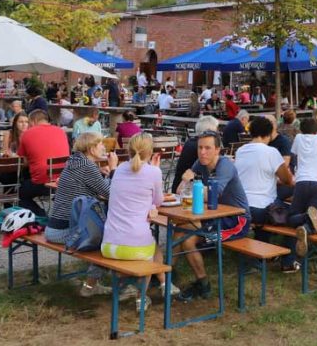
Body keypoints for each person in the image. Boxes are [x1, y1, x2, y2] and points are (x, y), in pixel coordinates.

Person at [102, 133, 179, 310]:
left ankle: (165, 284)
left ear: (128, 150)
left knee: (153, 247)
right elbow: (159, 200)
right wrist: (155, 171)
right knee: (150, 251)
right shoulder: (153, 172)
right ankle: (142, 297)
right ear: (150, 152)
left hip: (109, 245)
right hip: (134, 246)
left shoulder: (119, 169)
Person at [175, 130, 251, 301]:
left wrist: (191, 184)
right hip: (215, 216)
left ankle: (203, 284)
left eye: (208, 148)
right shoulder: (200, 163)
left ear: (217, 150)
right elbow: (180, 191)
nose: (202, 152)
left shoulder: (225, 166)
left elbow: (213, 195)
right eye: (200, 147)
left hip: (236, 220)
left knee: (188, 240)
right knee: (180, 229)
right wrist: (186, 181)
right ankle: (165, 276)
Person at [45, 132, 118, 297]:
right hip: (66, 232)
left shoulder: (74, 162)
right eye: (100, 144)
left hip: (53, 228)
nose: (103, 147)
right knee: (111, 240)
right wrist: (113, 169)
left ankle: (93, 283)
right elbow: (111, 193)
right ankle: (91, 286)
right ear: (91, 149)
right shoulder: (87, 166)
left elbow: (89, 185)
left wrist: (102, 174)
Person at [234, 117, 297, 272]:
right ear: (269, 134)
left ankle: (261, 257)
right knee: (295, 217)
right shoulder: (271, 152)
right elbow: (287, 180)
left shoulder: (240, 151)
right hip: (262, 210)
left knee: (269, 211)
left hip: (240, 207)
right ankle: (288, 261)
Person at [17, 110, 70, 216]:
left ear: (34, 120)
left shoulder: (27, 134)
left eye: (29, 123)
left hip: (41, 183)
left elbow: (23, 161)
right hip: (62, 181)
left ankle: (41, 215)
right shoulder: (61, 131)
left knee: (20, 193)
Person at [287, 118, 317, 257]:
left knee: (291, 218)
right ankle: (306, 226)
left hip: (302, 180)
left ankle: (306, 217)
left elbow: (294, 155)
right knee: (314, 219)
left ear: (301, 129)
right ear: (316, 129)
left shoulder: (298, 138)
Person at [171, 116, 220, 193]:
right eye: (216, 131)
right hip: (186, 192)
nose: (218, 134)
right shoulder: (198, 147)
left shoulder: (190, 142)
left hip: (179, 187)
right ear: (208, 132)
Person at [0, 112, 29, 194]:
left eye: (26, 122)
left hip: (24, 168)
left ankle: (19, 196)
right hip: (10, 167)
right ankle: (10, 198)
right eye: (21, 122)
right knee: (8, 176)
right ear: (15, 123)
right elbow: (5, 152)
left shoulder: (30, 135)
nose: (24, 124)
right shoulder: (9, 134)